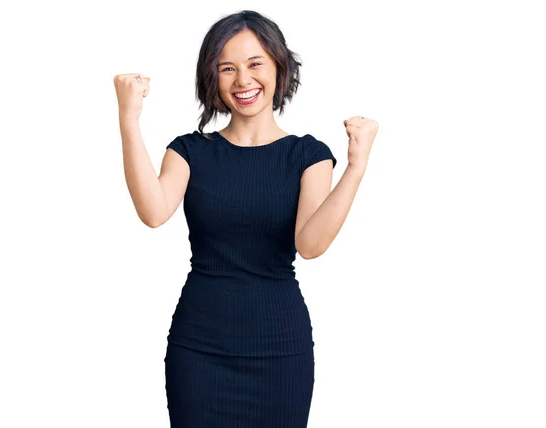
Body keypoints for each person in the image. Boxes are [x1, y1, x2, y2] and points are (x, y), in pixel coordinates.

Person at [114, 9, 378, 428]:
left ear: (279, 67)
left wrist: (356, 167)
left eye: (255, 64)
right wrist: (129, 119)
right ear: (211, 77)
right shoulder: (189, 151)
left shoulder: (308, 156)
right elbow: (152, 211)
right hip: (199, 350)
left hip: (280, 350)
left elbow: (310, 245)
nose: (243, 81)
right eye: (227, 68)